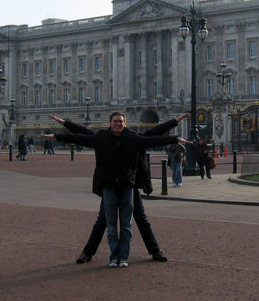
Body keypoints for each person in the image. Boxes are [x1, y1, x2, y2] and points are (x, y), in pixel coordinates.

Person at [46, 112, 190, 268]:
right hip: (110, 184)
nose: (117, 124)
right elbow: (83, 135)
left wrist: (176, 124)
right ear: (110, 123)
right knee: (103, 221)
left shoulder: (134, 137)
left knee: (140, 220)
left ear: (125, 123)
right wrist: (64, 125)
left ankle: (155, 250)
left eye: (120, 122)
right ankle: (88, 252)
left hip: (130, 184)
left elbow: (155, 135)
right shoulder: (104, 138)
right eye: (115, 122)